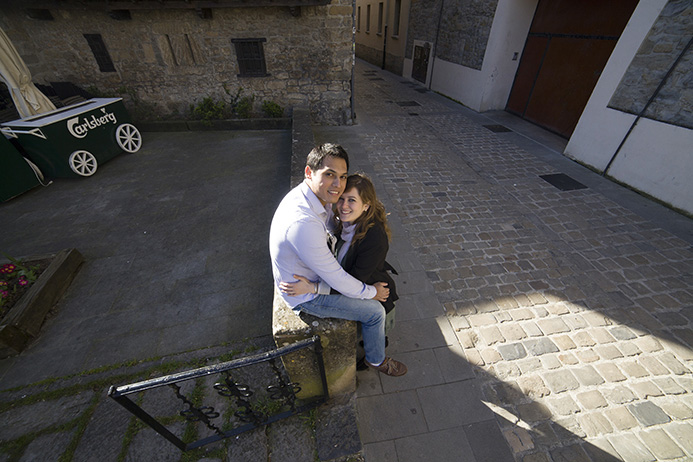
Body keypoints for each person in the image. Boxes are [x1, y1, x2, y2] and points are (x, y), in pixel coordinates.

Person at [269, 143, 407, 377]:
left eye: (342, 176)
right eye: (329, 174)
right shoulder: (304, 223)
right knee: (375, 312)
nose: (337, 184)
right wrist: (372, 292)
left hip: (312, 278)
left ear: (366, 206)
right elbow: (339, 280)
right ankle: (376, 360)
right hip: (305, 295)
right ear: (308, 172)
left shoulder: (311, 199)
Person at [284, 173, 398, 369]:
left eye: (352, 200)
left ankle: (375, 357)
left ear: (366, 205)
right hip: (355, 283)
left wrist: (313, 287)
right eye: (342, 199)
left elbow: (351, 281)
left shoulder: (374, 237)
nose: (344, 206)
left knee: (376, 320)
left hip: (367, 284)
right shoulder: (346, 221)